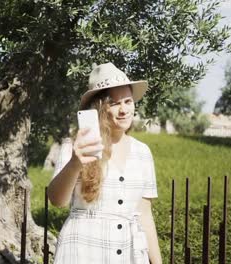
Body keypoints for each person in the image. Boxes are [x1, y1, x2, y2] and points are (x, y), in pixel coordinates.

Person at [47, 62, 162, 264]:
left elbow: (144, 215)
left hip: (129, 254)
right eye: (115, 103)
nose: (124, 109)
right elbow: (57, 200)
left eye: (128, 101)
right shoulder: (76, 146)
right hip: (81, 252)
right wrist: (75, 163)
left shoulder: (143, 152)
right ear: (99, 107)